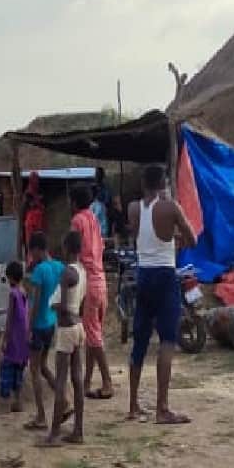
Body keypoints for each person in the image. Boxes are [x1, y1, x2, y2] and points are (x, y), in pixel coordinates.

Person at [126, 164, 196, 425]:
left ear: (144, 184)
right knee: (167, 339)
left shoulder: (134, 209)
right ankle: (162, 408)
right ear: (164, 182)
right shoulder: (171, 207)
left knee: (140, 340)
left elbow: (139, 236)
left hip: (143, 275)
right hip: (165, 275)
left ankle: (133, 406)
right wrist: (175, 236)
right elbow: (193, 240)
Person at [70, 186, 114, 401]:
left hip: (88, 282)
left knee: (93, 337)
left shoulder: (78, 221)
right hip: (101, 279)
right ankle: (87, 381)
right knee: (92, 334)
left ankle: (107, 382)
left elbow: (74, 251)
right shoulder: (94, 219)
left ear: (74, 203)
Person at [42, 231, 86, 446]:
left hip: (66, 328)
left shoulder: (67, 273)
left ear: (67, 247)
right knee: (77, 379)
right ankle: (78, 430)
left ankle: (54, 434)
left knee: (61, 381)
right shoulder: (82, 271)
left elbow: (63, 306)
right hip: (78, 327)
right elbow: (80, 304)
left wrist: (53, 305)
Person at [23, 232, 63, 431]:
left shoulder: (40, 271)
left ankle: (40, 416)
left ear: (38, 250)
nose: (32, 256)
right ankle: (63, 399)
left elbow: (35, 302)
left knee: (35, 371)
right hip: (51, 322)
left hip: (38, 325)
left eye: (32, 252)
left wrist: (28, 328)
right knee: (45, 366)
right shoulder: (59, 267)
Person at [0, 261, 30, 414]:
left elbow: (10, 318)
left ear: (10, 277)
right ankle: (18, 402)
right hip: (23, 338)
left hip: (14, 337)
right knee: (19, 371)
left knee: (6, 369)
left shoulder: (13, 294)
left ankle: (5, 404)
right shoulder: (24, 291)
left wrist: (4, 339)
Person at [23, 173, 46, 268]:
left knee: (39, 241)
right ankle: (31, 262)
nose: (36, 181)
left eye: (37, 179)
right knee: (31, 242)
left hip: (38, 220)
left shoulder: (38, 191)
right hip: (31, 220)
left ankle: (39, 261)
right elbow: (26, 205)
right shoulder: (28, 192)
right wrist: (36, 203)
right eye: (34, 179)